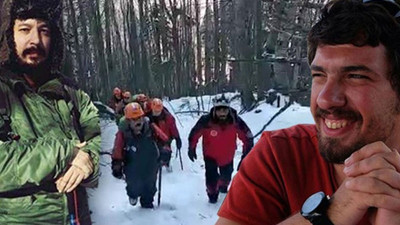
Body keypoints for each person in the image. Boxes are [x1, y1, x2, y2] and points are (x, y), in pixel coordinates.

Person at [216, 0, 400, 225]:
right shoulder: (281, 156)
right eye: (319, 76)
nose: (325, 98)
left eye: (355, 76)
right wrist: (334, 212)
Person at [0, 0, 100, 224]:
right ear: (9, 34)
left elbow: (94, 135)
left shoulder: (70, 91)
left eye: (43, 30)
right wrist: (67, 153)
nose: (35, 40)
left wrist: (87, 162)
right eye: (25, 29)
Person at [188, 94, 253, 203]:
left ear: (228, 110)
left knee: (226, 176)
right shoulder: (206, 121)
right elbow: (194, 134)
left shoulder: (235, 120)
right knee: (211, 179)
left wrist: (245, 155)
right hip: (210, 155)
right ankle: (212, 194)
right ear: (214, 109)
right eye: (219, 110)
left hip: (228, 155)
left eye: (224, 110)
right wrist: (191, 147)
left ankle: (223, 186)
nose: (222, 113)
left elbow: (248, 137)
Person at [111, 102, 169, 208]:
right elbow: (117, 149)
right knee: (133, 186)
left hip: (150, 162)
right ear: (128, 121)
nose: (138, 121)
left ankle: (147, 205)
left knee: (150, 185)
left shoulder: (151, 128)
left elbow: (164, 140)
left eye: (139, 118)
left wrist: (165, 151)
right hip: (131, 164)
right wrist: (117, 164)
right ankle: (133, 195)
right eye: (134, 119)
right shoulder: (123, 134)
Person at [147, 98, 182, 172]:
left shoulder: (168, 117)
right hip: (152, 138)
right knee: (153, 153)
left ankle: (167, 164)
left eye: (159, 111)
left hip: (166, 138)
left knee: (166, 153)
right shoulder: (147, 117)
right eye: (155, 111)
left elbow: (173, 128)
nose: (157, 112)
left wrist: (177, 138)